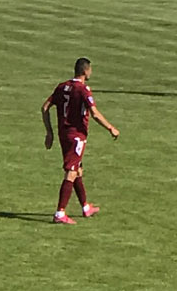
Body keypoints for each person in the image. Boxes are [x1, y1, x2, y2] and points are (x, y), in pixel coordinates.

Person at [40, 57, 119, 225]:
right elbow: (95, 114)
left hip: (63, 135)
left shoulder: (62, 87)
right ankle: (60, 212)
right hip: (76, 137)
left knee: (78, 170)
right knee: (71, 171)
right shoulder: (83, 90)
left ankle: (85, 207)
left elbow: (45, 107)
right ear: (85, 71)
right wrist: (110, 128)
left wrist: (49, 132)